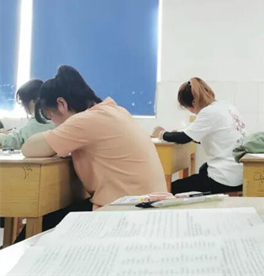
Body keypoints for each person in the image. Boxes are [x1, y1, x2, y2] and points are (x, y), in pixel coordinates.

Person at [20, 65, 167, 234]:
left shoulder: (85, 120)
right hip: (149, 207)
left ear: (61, 103)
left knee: (41, 224)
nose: (54, 123)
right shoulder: (116, 111)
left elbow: (29, 149)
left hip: (124, 211)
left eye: (50, 116)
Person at [151, 78, 246, 194]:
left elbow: (183, 138)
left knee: (172, 188)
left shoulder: (208, 112)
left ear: (193, 103)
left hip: (226, 177)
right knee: (203, 169)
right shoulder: (226, 106)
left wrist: (161, 134)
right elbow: (206, 134)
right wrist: (180, 133)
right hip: (240, 172)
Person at [0, 79, 54, 150]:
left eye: (23, 101)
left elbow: (16, 141)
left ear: (33, 101)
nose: (22, 105)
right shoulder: (52, 114)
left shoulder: (41, 119)